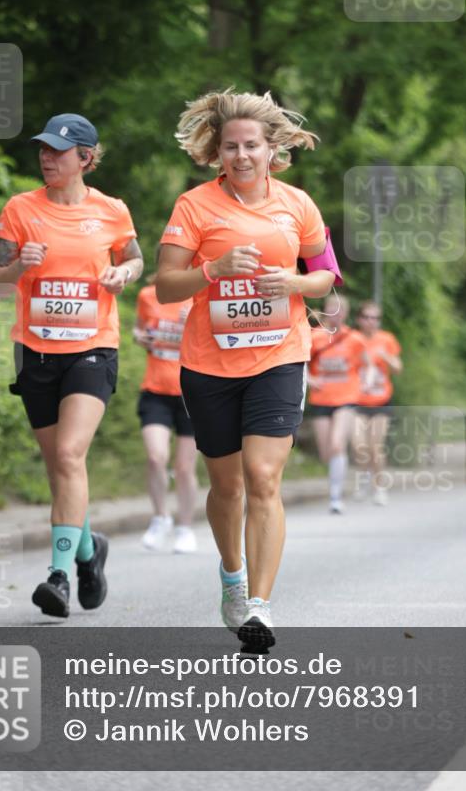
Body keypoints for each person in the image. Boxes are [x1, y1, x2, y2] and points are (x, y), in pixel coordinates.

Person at [156, 89, 337, 652]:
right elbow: (165, 286)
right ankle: (232, 576)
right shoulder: (194, 207)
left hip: (279, 355)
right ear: (217, 152)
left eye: (251, 146)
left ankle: (259, 605)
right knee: (227, 484)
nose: (241, 156)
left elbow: (327, 276)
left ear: (271, 149)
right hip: (209, 363)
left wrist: (296, 284)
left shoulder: (297, 204)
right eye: (230, 147)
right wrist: (212, 268)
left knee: (263, 477)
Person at [0, 113, 143, 616]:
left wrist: (123, 272)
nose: (47, 157)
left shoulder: (112, 211)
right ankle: (87, 548)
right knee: (59, 465)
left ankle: (58, 577)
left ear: (86, 158)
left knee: (71, 455)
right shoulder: (19, 210)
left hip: (93, 347)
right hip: (34, 350)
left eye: (59, 150)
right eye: (44, 149)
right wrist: (19, 267)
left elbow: (135, 259)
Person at [133, 274, 198, 553]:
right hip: (156, 390)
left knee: (184, 468)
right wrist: (140, 337)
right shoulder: (148, 295)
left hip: (191, 392)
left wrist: (192, 328)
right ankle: (161, 518)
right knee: (155, 457)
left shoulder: (199, 297)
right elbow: (139, 330)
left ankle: (185, 528)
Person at [306, 294, 366, 514]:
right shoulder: (315, 336)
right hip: (321, 398)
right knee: (325, 452)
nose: (337, 313)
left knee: (337, 444)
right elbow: (299, 362)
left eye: (340, 310)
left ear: (346, 313)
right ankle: (336, 482)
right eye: (332, 309)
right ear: (325, 311)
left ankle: (335, 496)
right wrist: (309, 379)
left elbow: (367, 365)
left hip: (346, 398)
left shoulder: (355, 339)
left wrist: (364, 384)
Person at [351, 301, 403, 506]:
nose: (371, 321)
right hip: (357, 401)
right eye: (367, 317)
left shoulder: (386, 339)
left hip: (381, 401)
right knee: (359, 446)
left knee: (375, 446)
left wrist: (386, 357)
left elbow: (398, 368)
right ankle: (364, 477)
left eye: (375, 318)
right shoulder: (353, 339)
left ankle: (379, 487)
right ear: (359, 319)